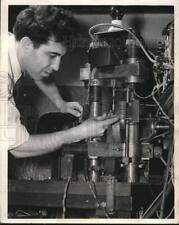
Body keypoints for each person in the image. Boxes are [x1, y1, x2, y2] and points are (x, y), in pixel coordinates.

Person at [8, 5, 119, 158]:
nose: (57, 66)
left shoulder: (14, 46)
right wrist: (79, 133)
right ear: (27, 45)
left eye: (60, 57)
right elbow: (18, 147)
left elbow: (40, 74)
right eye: (52, 55)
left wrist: (60, 103)